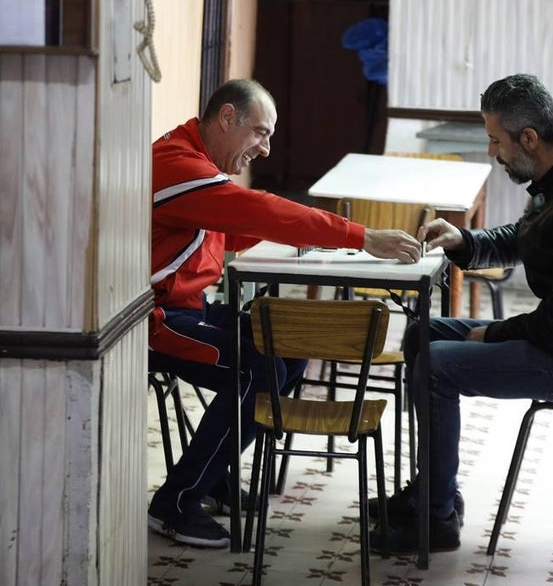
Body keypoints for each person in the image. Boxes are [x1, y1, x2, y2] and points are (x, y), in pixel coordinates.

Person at [147, 78, 422, 547]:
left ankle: (211, 477)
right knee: (260, 370)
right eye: (260, 132)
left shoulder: (199, 167)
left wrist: (307, 232)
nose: (266, 149)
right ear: (227, 118)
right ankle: (177, 500)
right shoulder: (177, 163)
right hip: (153, 322)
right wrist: (360, 236)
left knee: (290, 351)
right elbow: (257, 212)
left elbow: (232, 231)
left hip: (189, 308)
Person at [368, 73, 553, 553]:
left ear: (528, 137)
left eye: (495, 140)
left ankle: (437, 520)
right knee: (421, 335)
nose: (492, 152)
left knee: (439, 366)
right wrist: (464, 242)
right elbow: (528, 237)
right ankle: (434, 493)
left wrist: (490, 335)